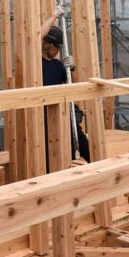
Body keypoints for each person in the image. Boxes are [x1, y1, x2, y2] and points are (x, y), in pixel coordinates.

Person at [41, 21, 90, 164]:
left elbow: (73, 85)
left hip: (63, 115)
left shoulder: (58, 65)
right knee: (50, 156)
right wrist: (54, 16)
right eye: (56, 46)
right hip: (44, 118)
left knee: (84, 147)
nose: (57, 50)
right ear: (46, 44)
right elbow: (34, 38)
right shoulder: (36, 64)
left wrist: (72, 68)